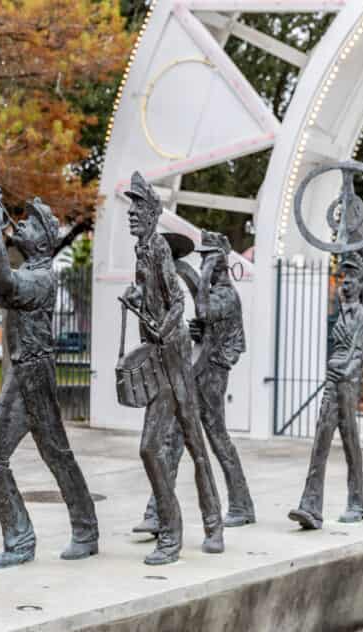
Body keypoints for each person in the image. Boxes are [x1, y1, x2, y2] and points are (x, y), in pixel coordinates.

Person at [0, 189, 99, 569]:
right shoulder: (29, 272)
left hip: (34, 375)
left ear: (44, 240)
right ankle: (29, 538)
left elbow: (4, 284)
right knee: (6, 456)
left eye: (29, 223)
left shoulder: (42, 277)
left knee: (43, 455)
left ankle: (76, 531)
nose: (21, 224)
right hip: (23, 372)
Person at [121, 171, 224, 566]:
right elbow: (153, 295)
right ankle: (192, 526)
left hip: (173, 358)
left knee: (179, 444)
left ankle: (181, 533)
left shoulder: (160, 250)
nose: (131, 213)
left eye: (138, 207)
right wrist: (136, 296)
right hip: (160, 355)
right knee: (169, 445)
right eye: (130, 207)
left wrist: (162, 331)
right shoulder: (142, 250)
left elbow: (178, 303)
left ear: (152, 213)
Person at [133, 230, 255, 535]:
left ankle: (241, 505)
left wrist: (205, 271)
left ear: (221, 260)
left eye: (208, 258)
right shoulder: (212, 292)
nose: (203, 263)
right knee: (173, 439)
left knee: (217, 438)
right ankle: (157, 512)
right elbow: (205, 322)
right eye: (202, 258)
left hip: (213, 373)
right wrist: (198, 331)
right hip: (198, 370)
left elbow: (203, 310)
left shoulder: (226, 295)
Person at [289, 251, 363, 529]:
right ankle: (310, 505)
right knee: (321, 440)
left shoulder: (360, 314)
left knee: (350, 442)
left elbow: (358, 355)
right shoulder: (339, 313)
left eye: (351, 279)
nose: (345, 284)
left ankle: (357, 502)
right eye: (343, 278)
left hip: (346, 384)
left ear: (360, 284)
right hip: (332, 382)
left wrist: (344, 372)